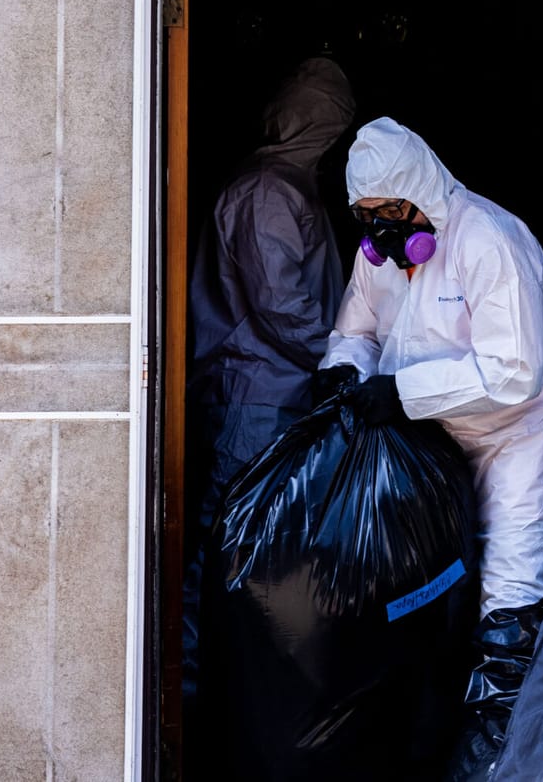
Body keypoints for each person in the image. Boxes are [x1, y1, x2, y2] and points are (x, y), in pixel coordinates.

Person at [316, 117, 543, 616]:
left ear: (422, 192)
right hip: (430, 442)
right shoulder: (376, 258)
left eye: (392, 209)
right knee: (424, 595)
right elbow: (357, 331)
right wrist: (344, 368)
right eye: (366, 214)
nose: (381, 228)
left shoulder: (488, 240)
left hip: (517, 439)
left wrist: (400, 393)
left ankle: (507, 691)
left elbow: (513, 372)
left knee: (512, 594)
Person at [182, 57, 357, 699]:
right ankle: (192, 679)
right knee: (230, 536)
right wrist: (342, 358)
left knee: (263, 543)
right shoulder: (269, 191)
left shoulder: (286, 187)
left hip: (274, 395)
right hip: (257, 397)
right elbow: (280, 302)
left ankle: (237, 681)